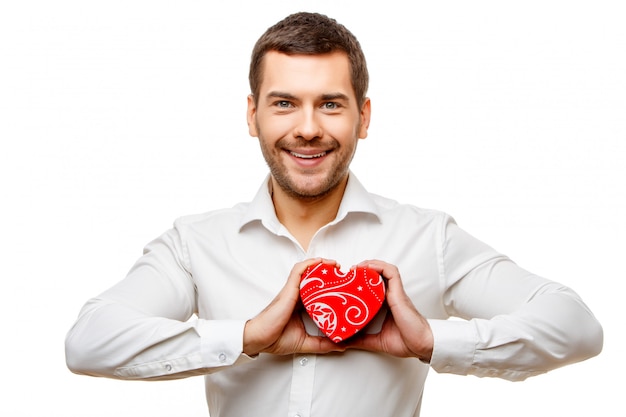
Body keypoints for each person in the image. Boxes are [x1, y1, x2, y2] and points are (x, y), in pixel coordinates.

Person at [65, 11, 603, 417]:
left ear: (362, 117)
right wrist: (247, 337)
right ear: (251, 115)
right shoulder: (194, 243)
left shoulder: (427, 237)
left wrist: (431, 342)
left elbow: (576, 326)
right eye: (283, 103)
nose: (306, 128)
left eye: (330, 103)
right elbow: (89, 339)